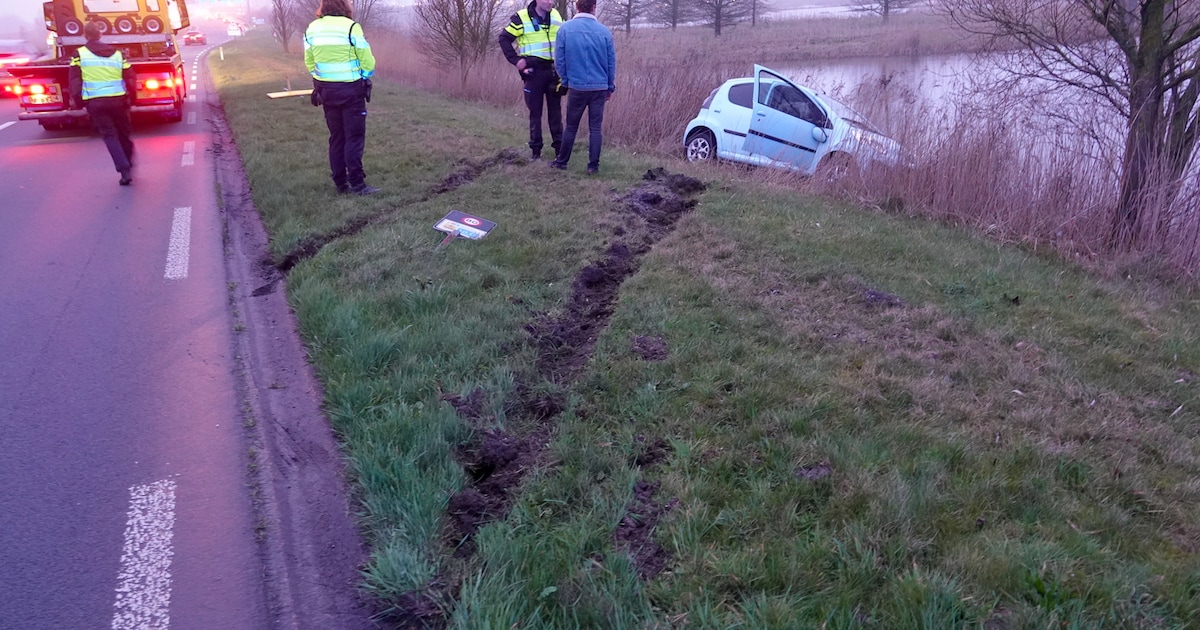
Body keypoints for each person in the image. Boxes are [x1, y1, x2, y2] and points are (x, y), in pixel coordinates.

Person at [304, 0, 378, 195]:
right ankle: (358, 184)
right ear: (344, 5)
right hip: (351, 92)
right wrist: (365, 75)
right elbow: (368, 62)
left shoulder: (312, 29)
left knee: (336, 137)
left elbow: (310, 62)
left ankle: (340, 183)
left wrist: (322, 78)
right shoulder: (352, 27)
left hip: (326, 92)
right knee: (353, 137)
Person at [549, 0, 615, 175]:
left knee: (571, 127)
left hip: (576, 87)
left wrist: (565, 80)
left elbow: (559, 60)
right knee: (595, 128)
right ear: (594, 7)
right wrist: (609, 86)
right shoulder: (605, 32)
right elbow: (610, 64)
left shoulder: (565, 29)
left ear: (577, 7)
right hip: (599, 87)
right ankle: (593, 166)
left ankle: (562, 162)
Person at [69, 21, 135, 186]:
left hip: (96, 103)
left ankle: (124, 169)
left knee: (110, 135)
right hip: (119, 101)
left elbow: (74, 80)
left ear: (85, 35)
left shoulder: (79, 54)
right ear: (101, 34)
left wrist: (79, 101)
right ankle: (128, 162)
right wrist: (131, 97)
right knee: (124, 134)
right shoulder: (117, 53)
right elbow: (130, 77)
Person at [499, 0, 564, 161]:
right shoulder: (522, 17)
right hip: (534, 72)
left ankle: (559, 151)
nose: (551, 2)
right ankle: (536, 152)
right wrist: (515, 60)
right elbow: (504, 39)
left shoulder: (556, 15)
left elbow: (564, 41)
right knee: (535, 113)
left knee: (555, 113)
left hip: (553, 71)